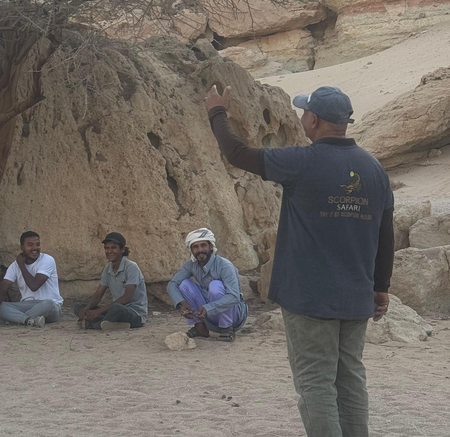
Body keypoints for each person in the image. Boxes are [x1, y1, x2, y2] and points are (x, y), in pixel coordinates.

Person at [206, 84, 394, 437]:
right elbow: (386, 234)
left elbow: (237, 153)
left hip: (309, 296)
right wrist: (381, 288)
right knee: (350, 378)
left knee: (315, 381)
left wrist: (217, 112)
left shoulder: (301, 161)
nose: (302, 116)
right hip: (356, 297)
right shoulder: (373, 168)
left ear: (314, 120)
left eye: (305, 111)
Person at [167, 228, 248, 342]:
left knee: (215, 286)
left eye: (203, 245)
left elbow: (234, 297)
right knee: (184, 284)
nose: (200, 250)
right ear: (191, 250)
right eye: (195, 247)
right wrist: (182, 303)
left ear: (211, 246)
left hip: (233, 315)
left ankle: (227, 329)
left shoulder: (224, 265)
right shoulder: (191, 265)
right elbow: (172, 284)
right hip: (208, 314)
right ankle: (200, 328)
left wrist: (209, 307)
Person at [74, 232, 148, 331]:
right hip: (115, 310)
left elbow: (127, 298)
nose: (109, 251)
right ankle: (108, 323)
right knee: (79, 307)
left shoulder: (131, 267)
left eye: (113, 248)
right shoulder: (107, 269)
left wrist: (99, 311)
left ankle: (95, 324)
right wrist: (86, 309)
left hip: (134, 313)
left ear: (122, 250)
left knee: (116, 308)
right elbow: (98, 295)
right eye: (107, 248)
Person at [0, 231, 63, 327]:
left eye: (37, 244)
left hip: (49, 308)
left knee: (49, 304)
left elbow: (34, 286)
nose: (35, 248)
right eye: (30, 245)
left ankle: (18, 319)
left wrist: (21, 265)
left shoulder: (47, 260)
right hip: (27, 305)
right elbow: (3, 288)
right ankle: (29, 320)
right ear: (22, 248)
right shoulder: (14, 266)